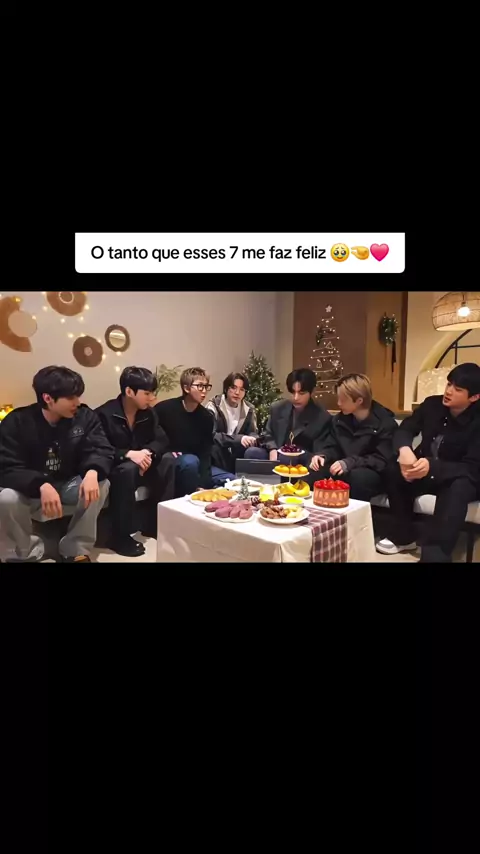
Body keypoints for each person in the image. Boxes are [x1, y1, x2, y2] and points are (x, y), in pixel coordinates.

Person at [0, 366, 113, 563]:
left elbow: (101, 448)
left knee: (101, 484)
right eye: (71, 398)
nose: (77, 402)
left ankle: (75, 548)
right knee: (7, 497)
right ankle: (24, 553)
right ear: (48, 398)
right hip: (32, 489)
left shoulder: (85, 417)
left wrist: (92, 472)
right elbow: (7, 466)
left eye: (78, 396)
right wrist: (41, 484)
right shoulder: (17, 421)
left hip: (68, 483)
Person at [375, 363, 480, 562]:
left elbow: (472, 468)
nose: (449, 391)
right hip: (426, 469)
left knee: (458, 487)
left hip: (462, 476)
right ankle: (404, 536)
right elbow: (405, 428)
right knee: (393, 470)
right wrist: (404, 450)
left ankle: (436, 556)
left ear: (474, 397)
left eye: (458, 389)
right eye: (449, 384)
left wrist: (432, 467)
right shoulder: (432, 404)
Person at [95, 366, 175, 557]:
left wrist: (147, 452)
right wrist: (128, 454)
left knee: (168, 461)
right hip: (117, 468)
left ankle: (156, 525)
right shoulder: (104, 414)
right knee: (127, 470)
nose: (152, 398)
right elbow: (99, 449)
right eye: (147, 393)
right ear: (129, 391)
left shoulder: (148, 413)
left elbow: (162, 440)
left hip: (143, 465)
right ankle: (119, 537)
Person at [308, 373, 398, 499]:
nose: (338, 403)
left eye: (343, 400)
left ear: (359, 401)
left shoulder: (385, 424)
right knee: (314, 470)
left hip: (372, 473)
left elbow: (381, 459)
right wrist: (323, 455)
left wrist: (350, 462)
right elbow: (333, 445)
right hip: (344, 467)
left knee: (357, 478)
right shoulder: (339, 420)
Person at [246, 368, 332, 468]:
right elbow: (267, 434)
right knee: (252, 453)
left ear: (312, 392)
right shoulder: (278, 408)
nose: (296, 398)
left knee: (287, 458)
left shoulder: (322, 416)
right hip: (277, 452)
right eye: (293, 392)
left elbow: (321, 449)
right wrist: (272, 449)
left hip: (301, 459)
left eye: (301, 393)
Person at [154, 367, 216, 497]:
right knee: (190, 461)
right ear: (186, 388)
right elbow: (155, 439)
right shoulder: (164, 409)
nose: (204, 391)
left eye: (206, 386)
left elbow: (205, 452)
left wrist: (203, 484)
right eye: (200, 386)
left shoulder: (206, 417)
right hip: (167, 459)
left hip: (193, 461)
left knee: (229, 478)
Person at [205, 371, 259, 474]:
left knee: (252, 451)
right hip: (217, 453)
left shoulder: (249, 409)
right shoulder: (213, 406)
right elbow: (211, 435)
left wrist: (252, 438)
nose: (237, 393)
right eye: (233, 388)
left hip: (237, 453)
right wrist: (238, 439)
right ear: (226, 388)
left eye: (242, 389)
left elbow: (252, 432)